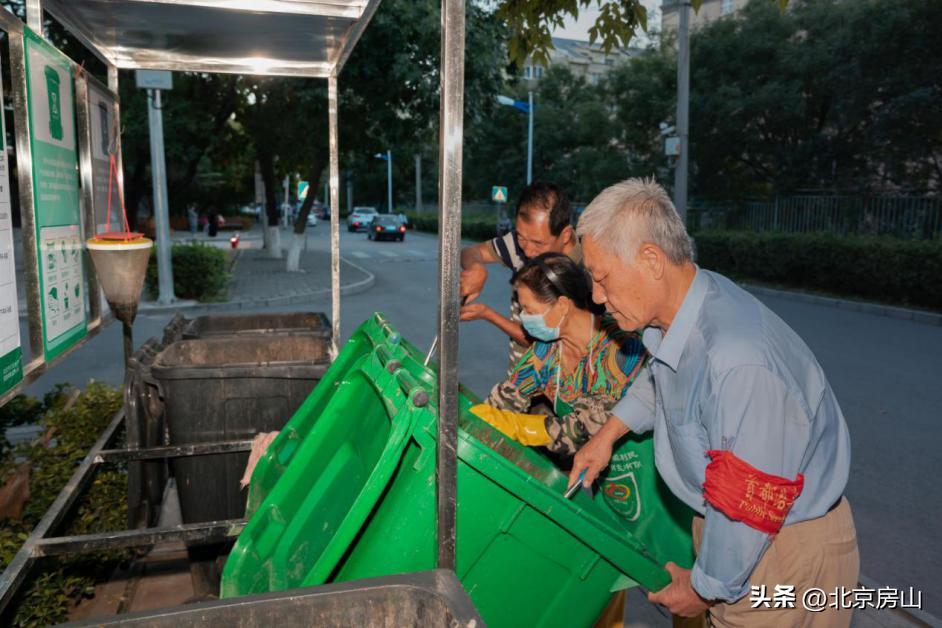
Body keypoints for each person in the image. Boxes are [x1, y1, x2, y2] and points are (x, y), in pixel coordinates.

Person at [571, 178, 858, 626]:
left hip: (779, 556)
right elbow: (662, 379)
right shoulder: (685, 310)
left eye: (603, 278)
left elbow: (748, 507)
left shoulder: (738, 362)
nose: (597, 297)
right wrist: (608, 434)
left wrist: (704, 589)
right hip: (740, 538)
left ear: (651, 260)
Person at [471, 253, 646, 458]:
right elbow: (506, 399)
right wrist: (473, 421)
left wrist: (521, 428)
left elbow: (584, 429)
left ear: (563, 305)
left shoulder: (622, 347)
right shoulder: (546, 351)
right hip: (598, 472)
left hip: (646, 466)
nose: (524, 318)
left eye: (528, 309)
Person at [460, 182, 578, 376]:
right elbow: (471, 252)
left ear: (565, 235)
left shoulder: (583, 275)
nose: (528, 251)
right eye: (522, 237)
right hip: (518, 379)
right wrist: (476, 267)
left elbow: (537, 342)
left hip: (557, 390)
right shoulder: (521, 241)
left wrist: (486, 313)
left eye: (538, 243)